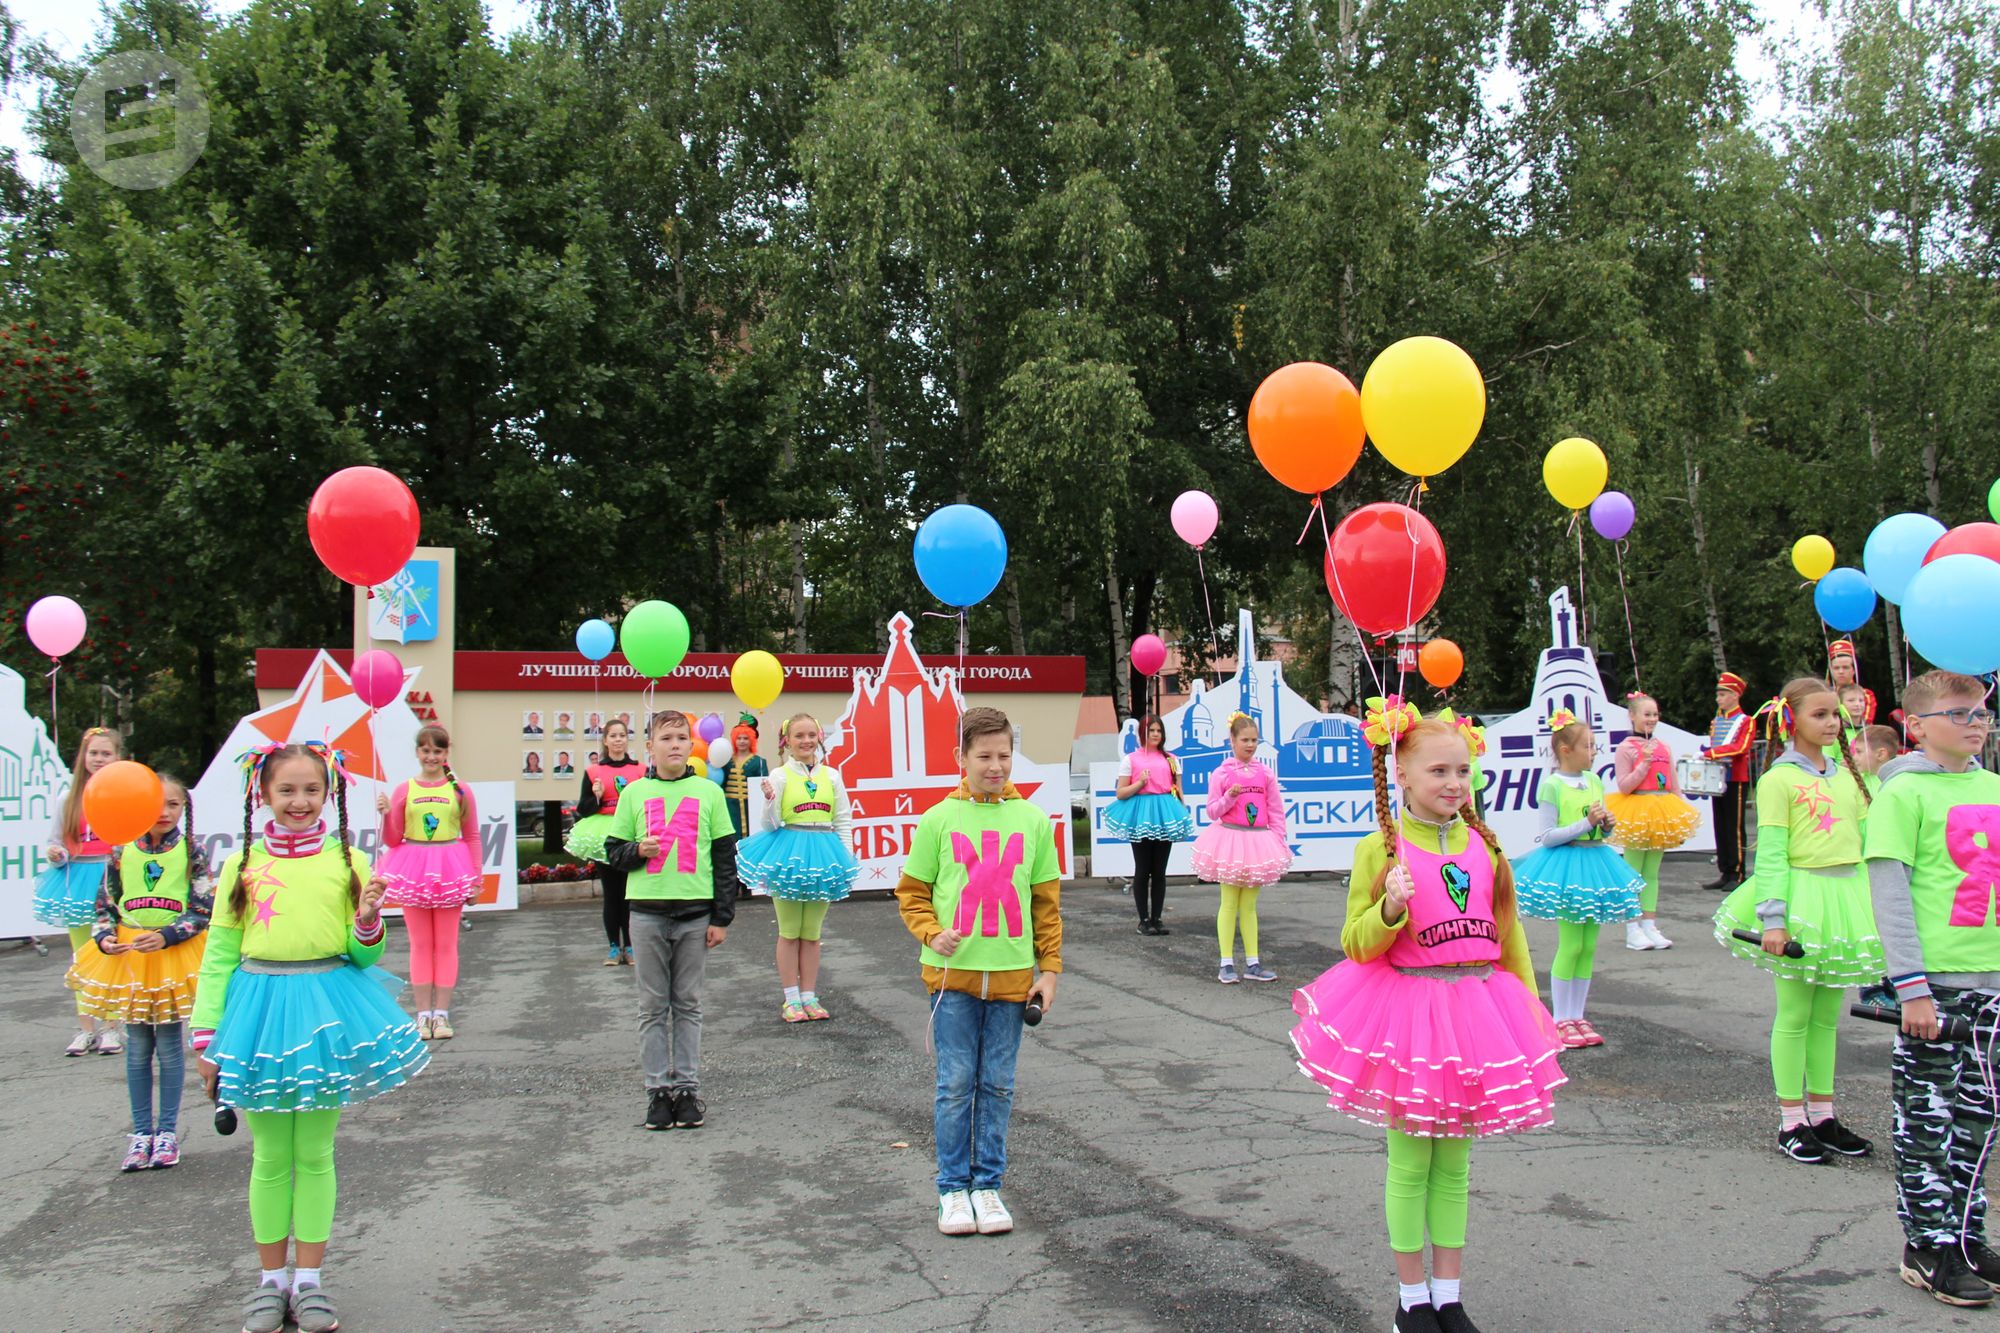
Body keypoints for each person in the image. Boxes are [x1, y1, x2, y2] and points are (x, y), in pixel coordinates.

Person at [1291, 703, 1563, 1333]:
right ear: (1403, 776)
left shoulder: (1487, 847)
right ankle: (1410, 1300)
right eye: (1438, 770)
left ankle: (1450, 1294)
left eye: (1463, 772)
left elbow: (1510, 938)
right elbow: (1356, 944)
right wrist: (1389, 907)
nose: (1453, 784)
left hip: (1479, 1013)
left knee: (1457, 1166)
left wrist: (1532, 1014)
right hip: (1410, 1020)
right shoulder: (1378, 849)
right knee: (1411, 1163)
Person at [193, 742, 429, 1333]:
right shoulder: (238, 866)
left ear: (329, 793)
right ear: (262, 795)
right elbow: (220, 952)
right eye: (286, 790)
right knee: (270, 1155)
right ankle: (271, 1282)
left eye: (312, 790)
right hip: (258, 1016)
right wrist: (207, 1037)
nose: (300, 801)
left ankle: (311, 1281)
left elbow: (361, 951)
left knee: (315, 1152)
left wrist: (370, 919)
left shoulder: (349, 861)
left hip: (326, 1013)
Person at [896, 706, 1061, 1238]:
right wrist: (930, 932)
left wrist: (1049, 971)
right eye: (984, 756)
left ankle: (988, 1187)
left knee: (997, 1086)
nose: (996, 766)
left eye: (1005, 756)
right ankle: (952, 1190)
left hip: (1013, 982)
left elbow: (1045, 906)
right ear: (960, 759)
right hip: (952, 982)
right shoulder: (938, 819)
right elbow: (913, 894)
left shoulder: (1034, 820)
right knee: (954, 1084)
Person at [1865, 671, 2000, 1308]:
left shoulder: (1993, 787)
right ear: (1917, 727)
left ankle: (1968, 1239)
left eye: (1982, 710)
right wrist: (1911, 988)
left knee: (1980, 1118)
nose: (1977, 721)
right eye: (1959, 712)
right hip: (1936, 989)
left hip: (1993, 983)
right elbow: (1891, 895)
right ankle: (1927, 1245)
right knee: (1928, 1118)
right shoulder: (1902, 795)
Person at [1715, 678, 1882, 1164]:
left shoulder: (1852, 775)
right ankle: (1791, 1121)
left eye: (1836, 715)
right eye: (1820, 715)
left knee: (1827, 1017)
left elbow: (1871, 843)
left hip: (1847, 897)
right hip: (1800, 898)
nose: (1832, 723)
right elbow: (1771, 855)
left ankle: (1824, 1114)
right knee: (1794, 1015)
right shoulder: (1778, 781)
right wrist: (1773, 920)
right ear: (1792, 720)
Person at [66, 776, 212, 1171]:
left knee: (167, 1047)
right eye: (156, 805)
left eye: (174, 805)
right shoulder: (120, 850)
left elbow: (203, 908)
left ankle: (166, 1133)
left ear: (184, 808)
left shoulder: (192, 849)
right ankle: (140, 1134)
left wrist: (167, 936)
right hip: (130, 959)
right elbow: (105, 906)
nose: (164, 813)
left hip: (170, 957)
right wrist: (105, 938)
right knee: (135, 1050)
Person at [603, 711, 738, 1132]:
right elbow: (613, 852)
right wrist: (635, 852)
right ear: (651, 747)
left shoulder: (709, 792)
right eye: (666, 738)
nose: (675, 744)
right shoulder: (634, 793)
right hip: (645, 913)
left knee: (688, 1004)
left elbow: (723, 859)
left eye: (682, 737)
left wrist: (722, 916)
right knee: (651, 1007)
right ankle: (657, 1093)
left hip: (695, 915)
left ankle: (687, 1090)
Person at [1511, 710, 1643, 1049]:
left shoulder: (1595, 781)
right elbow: (1548, 835)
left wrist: (1606, 824)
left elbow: (1598, 825)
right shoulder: (1552, 785)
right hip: (1567, 867)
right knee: (1571, 944)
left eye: (1594, 745)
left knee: (1588, 946)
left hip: (1595, 861)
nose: (1594, 751)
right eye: (1587, 745)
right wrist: (1586, 823)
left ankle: (1578, 1014)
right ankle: (1559, 1019)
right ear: (1565, 750)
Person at [739, 714, 859, 1021]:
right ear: (787, 742)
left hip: (824, 854)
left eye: (811, 735)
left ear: (819, 737)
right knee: (790, 931)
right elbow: (770, 824)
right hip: (790, 855)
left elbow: (842, 819)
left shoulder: (832, 776)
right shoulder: (779, 776)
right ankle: (790, 999)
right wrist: (768, 800)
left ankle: (809, 995)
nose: (806, 741)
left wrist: (845, 860)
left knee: (812, 933)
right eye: (798, 736)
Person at [374, 725, 483, 1041]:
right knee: (420, 944)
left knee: (446, 944)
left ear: (446, 752)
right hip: (414, 868)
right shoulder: (404, 790)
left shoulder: (460, 790)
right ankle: (422, 1015)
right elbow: (394, 839)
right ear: (418, 752)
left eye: (438, 751)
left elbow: (472, 835)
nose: (431, 756)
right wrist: (385, 815)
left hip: (450, 868)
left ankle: (442, 1015)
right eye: (426, 750)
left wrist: (476, 880)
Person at [37, 726, 125, 1056]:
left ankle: (113, 1027)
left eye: (106, 753)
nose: (99, 759)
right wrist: (56, 854)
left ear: (118, 757)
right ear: (83, 757)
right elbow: (55, 841)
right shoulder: (69, 798)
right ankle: (86, 1028)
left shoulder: (124, 795)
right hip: (76, 881)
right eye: (93, 753)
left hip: (111, 881)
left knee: (111, 954)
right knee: (82, 957)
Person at [1191, 713, 1291, 983]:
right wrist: (1229, 797)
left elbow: (1274, 809)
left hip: (1258, 842)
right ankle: (1225, 963)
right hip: (1231, 841)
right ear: (1232, 740)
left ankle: (1253, 963)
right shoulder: (1222, 773)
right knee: (1229, 903)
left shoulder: (1265, 772)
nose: (1250, 745)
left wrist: (1279, 839)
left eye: (1254, 740)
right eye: (1244, 739)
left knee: (1249, 906)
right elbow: (1212, 811)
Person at [1605, 692, 1700, 951]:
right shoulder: (1626, 748)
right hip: (1636, 810)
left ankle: (1650, 925)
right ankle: (1632, 927)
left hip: (1661, 811)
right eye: (1646, 714)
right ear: (1632, 716)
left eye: (1655, 714)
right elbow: (1624, 786)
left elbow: (1673, 783)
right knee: (1632, 873)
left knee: (1652, 874)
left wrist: (1680, 815)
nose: (1652, 719)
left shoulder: (1663, 746)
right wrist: (1643, 765)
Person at [1103, 714, 1193, 936]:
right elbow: (1121, 793)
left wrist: (1181, 809)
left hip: (1165, 813)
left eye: (1158, 730)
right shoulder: (1131, 759)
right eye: (1151, 730)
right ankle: (1143, 919)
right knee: (1143, 868)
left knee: (1160, 871)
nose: (1155, 734)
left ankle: (1157, 918)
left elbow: (1178, 788)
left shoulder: (1171, 759)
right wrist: (1140, 783)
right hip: (1140, 814)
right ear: (1142, 733)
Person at [568, 718, 646, 965]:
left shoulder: (640, 770)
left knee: (630, 893)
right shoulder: (593, 772)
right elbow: (583, 808)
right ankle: (614, 947)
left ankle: (631, 947)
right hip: (604, 834)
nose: (618, 740)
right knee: (612, 894)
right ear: (605, 741)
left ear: (627, 739)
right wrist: (597, 796)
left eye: (622, 735)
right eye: (613, 736)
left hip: (631, 834)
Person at [1704, 672, 1755, 892]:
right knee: (1720, 825)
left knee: (1734, 826)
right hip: (1718, 778)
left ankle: (1738, 872)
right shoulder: (1717, 721)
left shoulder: (1746, 721)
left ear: (1735, 695)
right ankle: (1725, 870)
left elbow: (1741, 748)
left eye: (1723, 694)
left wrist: (1712, 753)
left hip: (1736, 778)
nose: (1719, 699)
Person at [713, 714, 770, 839]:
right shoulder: (726, 760)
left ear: (752, 740)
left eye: (745, 738)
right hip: (729, 806)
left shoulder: (759, 762)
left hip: (749, 806)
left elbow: (762, 788)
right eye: (739, 738)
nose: (742, 741)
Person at [1827, 640, 1877, 724]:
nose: (1841, 671)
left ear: (1854, 670)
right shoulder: (1825, 694)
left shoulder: (1866, 695)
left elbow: (1866, 722)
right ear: (1831, 670)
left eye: (1845, 667)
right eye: (1836, 668)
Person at [1854, 724, 1901, 793]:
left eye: (1859, 752)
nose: (1854, 757)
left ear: (1880, 754)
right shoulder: (1855, 780)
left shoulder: (1896, 785)